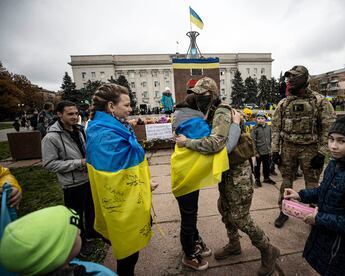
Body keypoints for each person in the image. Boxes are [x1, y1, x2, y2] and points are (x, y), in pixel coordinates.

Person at [176, 77, 280, 276]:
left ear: (213, 94)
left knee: (240, 217)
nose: (198, 97)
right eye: (196, 94)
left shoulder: (222, 111)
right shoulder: (210, 112)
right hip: (226, 170)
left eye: (203, 94)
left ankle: (268, 250)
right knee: (224, 209)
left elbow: (217, 144)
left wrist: (187, 142)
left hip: (237, 173)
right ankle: (234, 245)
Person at [283, 113, 345, 275]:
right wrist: (301, 195)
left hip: (343, 248)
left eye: (341, 141)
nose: (333, 146)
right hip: (328, 238)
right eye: (331, 139)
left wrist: (319, 219)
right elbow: (325, 190)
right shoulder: (337, 163)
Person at [86, 83, 157, 275]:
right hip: (120, 204)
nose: (130, 109)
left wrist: (144, 183)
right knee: (127, 254)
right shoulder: (106, 135)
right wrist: (142, 185)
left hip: (128, 196)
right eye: (126, 105)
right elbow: (113, 178)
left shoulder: (109, 128)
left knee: (129, 253)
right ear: (111, 106)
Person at [171, 91, 241, 271]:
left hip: (186, 176)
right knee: (188, 218)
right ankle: (189, 255)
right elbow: (220, 147)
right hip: (186, 179)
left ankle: (194, 242)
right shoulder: (196, 126)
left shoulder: (184, 122)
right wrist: (235, 125)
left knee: (190, 214)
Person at [271, 65, 336, 228]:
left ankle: (314, 215)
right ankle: (284, 210)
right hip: (288, 149)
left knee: (312, 183)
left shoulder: (319, 101)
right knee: (286, 182)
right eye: (289, 77)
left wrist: (322, 153)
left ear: (304, 79)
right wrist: (274, 151)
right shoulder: (284, 103)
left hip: (310, 149)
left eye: (294, 77)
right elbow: (276, 128)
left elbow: (328, 128)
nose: (290, 81)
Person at [41, 101, 96, 250]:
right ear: (59, 114)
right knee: (76, 215)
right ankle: (80, 242)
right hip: (72, 184)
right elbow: (49, 164)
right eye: (70, 114)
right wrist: (79, 163)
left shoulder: (79, 130)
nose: (75, 116)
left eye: (76, 113)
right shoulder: (51, 137)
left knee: (91, 209)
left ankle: (92, 233)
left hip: (88, 178)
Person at [0, 205, 116, 276]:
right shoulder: (99, 273)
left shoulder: (60, 262)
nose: (79, 232)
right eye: (73, 233)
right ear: (60, 253)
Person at [251, 111, 275, 187]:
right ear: (256, 119)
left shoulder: (268, 128)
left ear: (265, 119)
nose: (260, 120)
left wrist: (271, 149)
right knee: (257, 166)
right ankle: (257, 179)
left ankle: (266, 178)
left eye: (262, 118)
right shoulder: (255, 129)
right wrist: (255, 152)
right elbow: (253, 142)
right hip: (259, 152)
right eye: (258, 118)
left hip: (267, 151)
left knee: (266, 165)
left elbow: (271, 139)